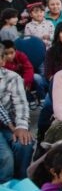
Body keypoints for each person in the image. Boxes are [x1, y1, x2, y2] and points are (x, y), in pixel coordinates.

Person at [0, 50, 34, 182]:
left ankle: (21, 182)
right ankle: (5, 190)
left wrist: (21, 126)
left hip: (9, 124)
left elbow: (21, 104)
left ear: (3, 61)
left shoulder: (13, 77)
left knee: (24, 143)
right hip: (7, 124)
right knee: (5, 157)